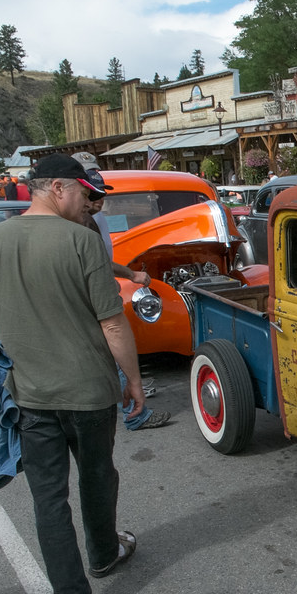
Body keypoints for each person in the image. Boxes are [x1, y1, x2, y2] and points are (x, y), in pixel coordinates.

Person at [0, 153, 143, 594]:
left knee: (49, 500)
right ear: (59, 188)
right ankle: (104, 555)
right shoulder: (82, 242)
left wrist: (10, 374)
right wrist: (135, 382)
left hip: (29, 396)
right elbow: (112, 322)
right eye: (86, 195)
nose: (91, 205)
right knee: (97, 477)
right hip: (89, 393)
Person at [70, 154, 171, 431]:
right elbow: (95, 261)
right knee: (113, 343)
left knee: (110, 350)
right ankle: (134, 411)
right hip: (93, 293)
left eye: (100, 190)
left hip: (100, 286)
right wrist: (129, 275)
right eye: (91, 191)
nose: (98, 197)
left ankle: (127, 395)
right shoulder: (79, 222)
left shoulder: (93, 217)